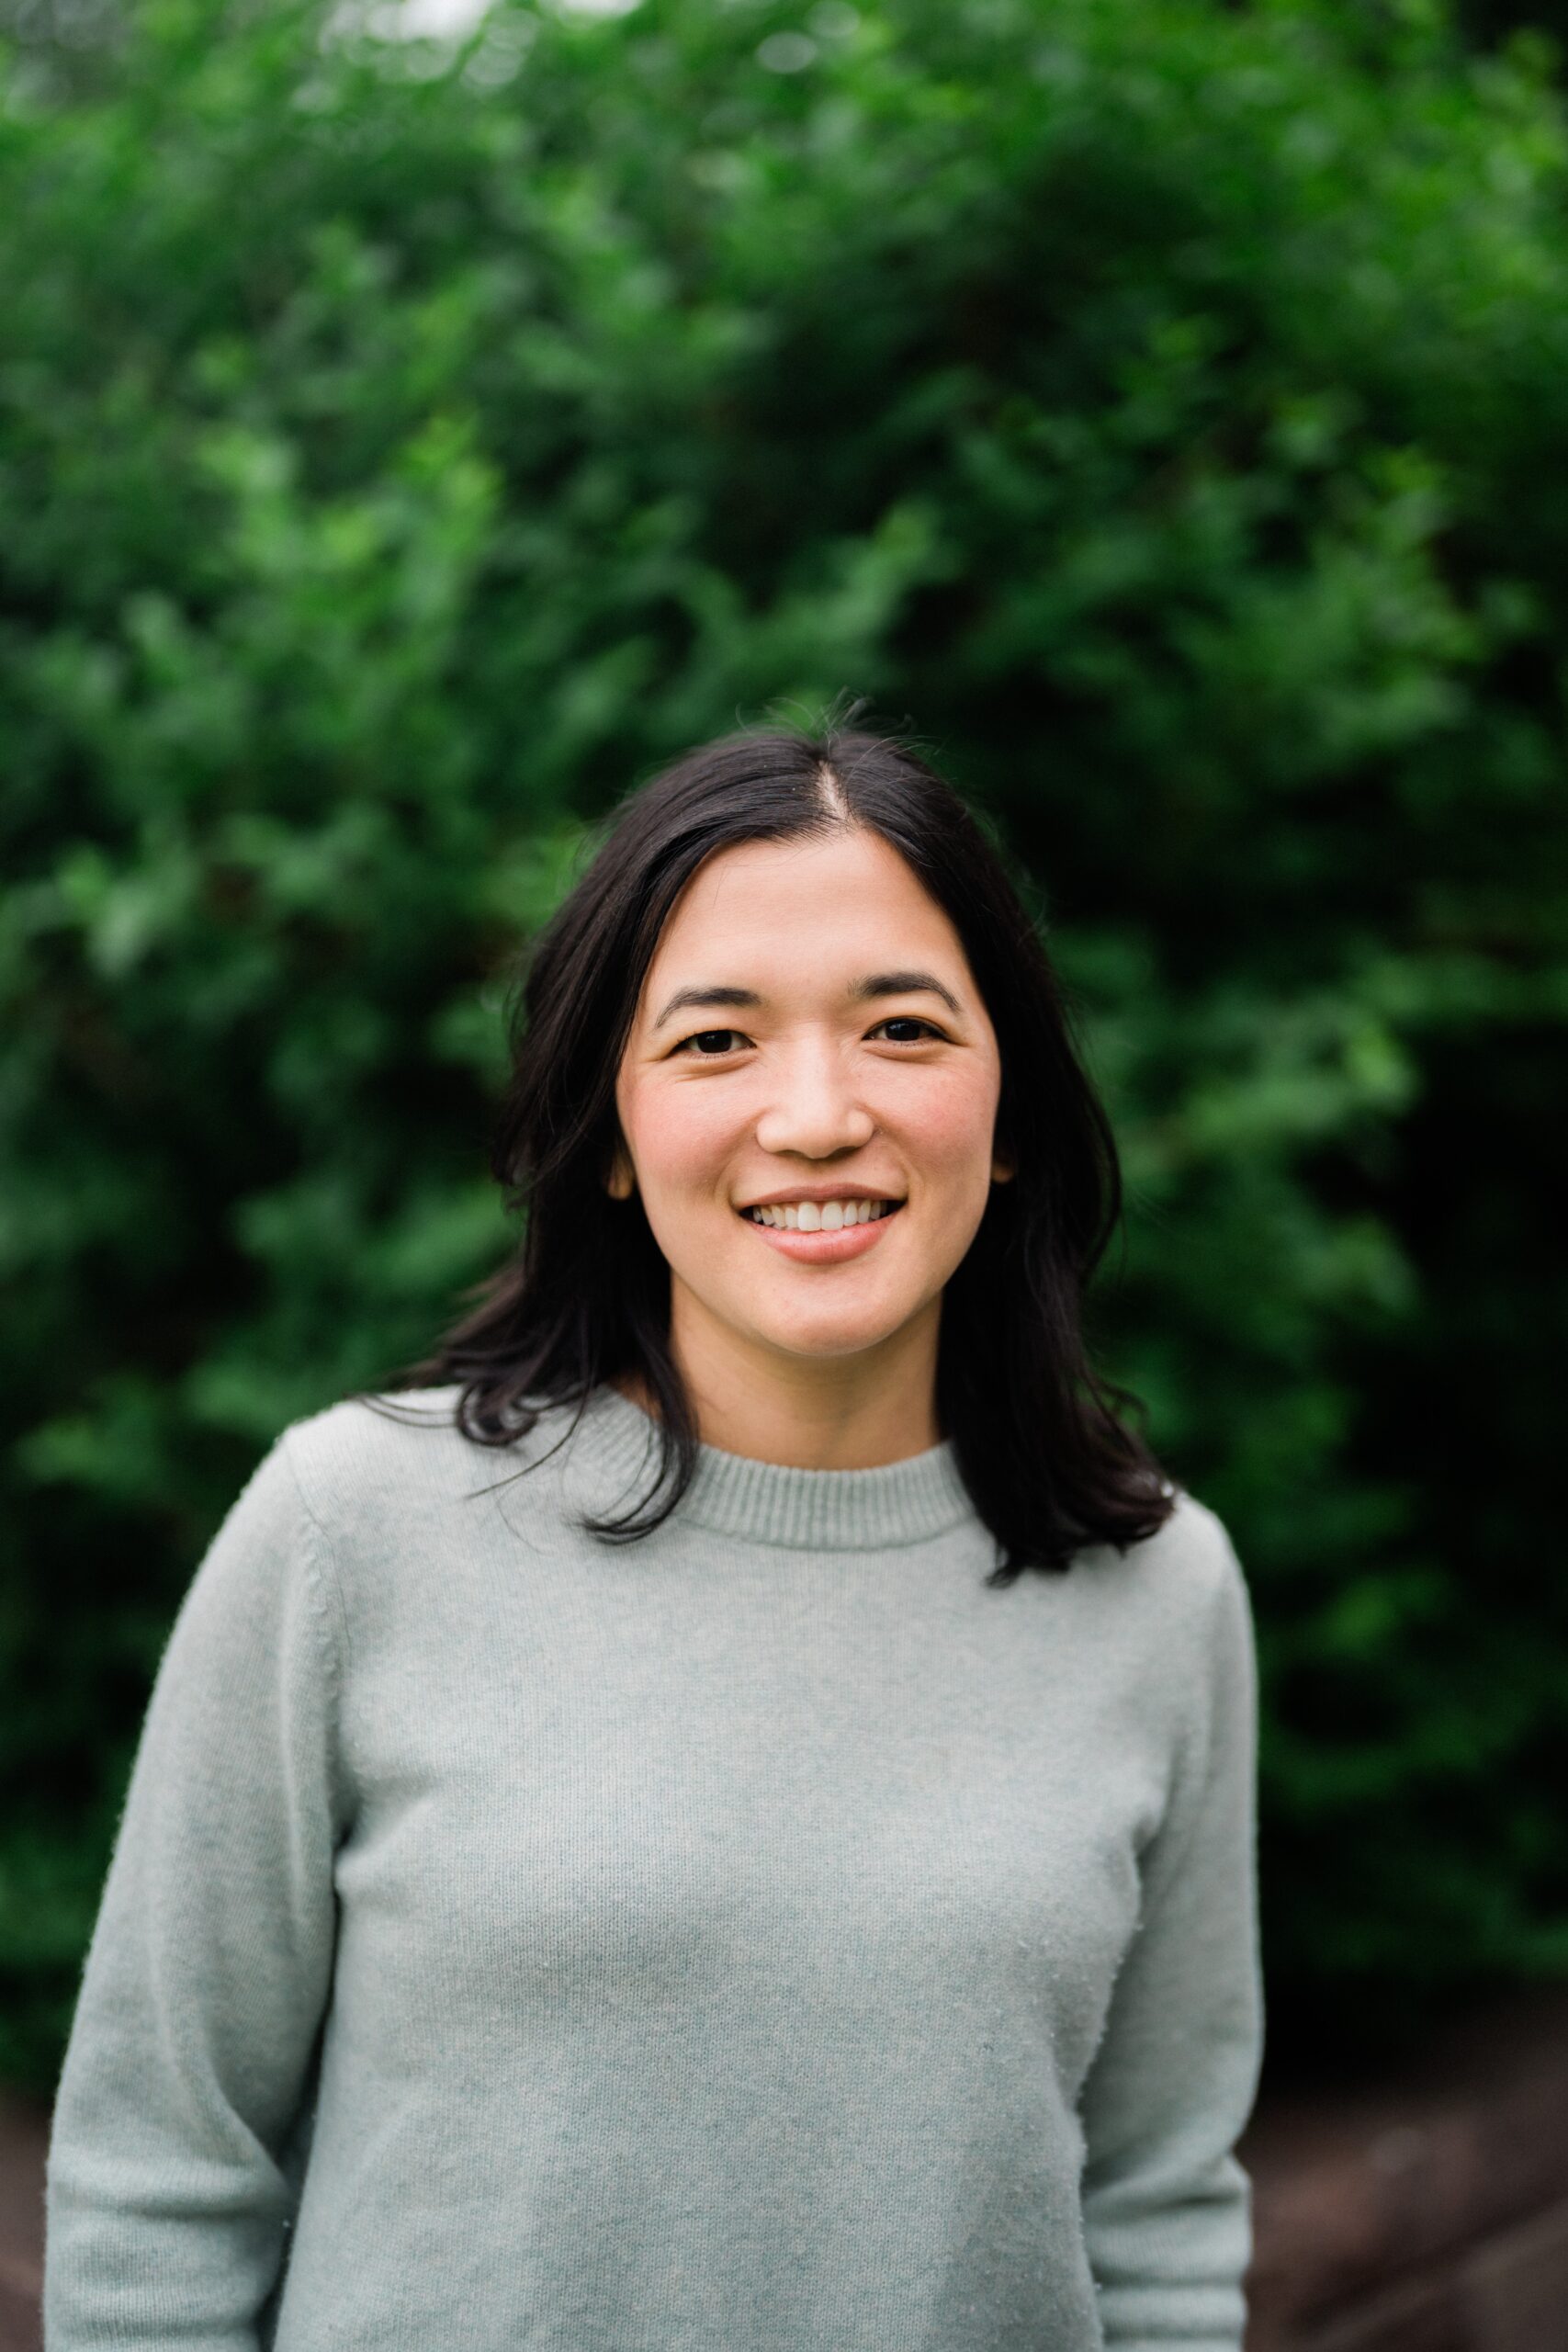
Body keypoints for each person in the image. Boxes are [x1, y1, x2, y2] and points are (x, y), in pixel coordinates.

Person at [43, 719, 1265, 2350]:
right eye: (715, 1041)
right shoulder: (352, 1532)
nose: (816, 1116)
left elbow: (1158, 2218)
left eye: (903, 1027)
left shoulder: (1162, 1590)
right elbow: (157, 2187)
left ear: (1013, 1109)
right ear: (612, 1132)